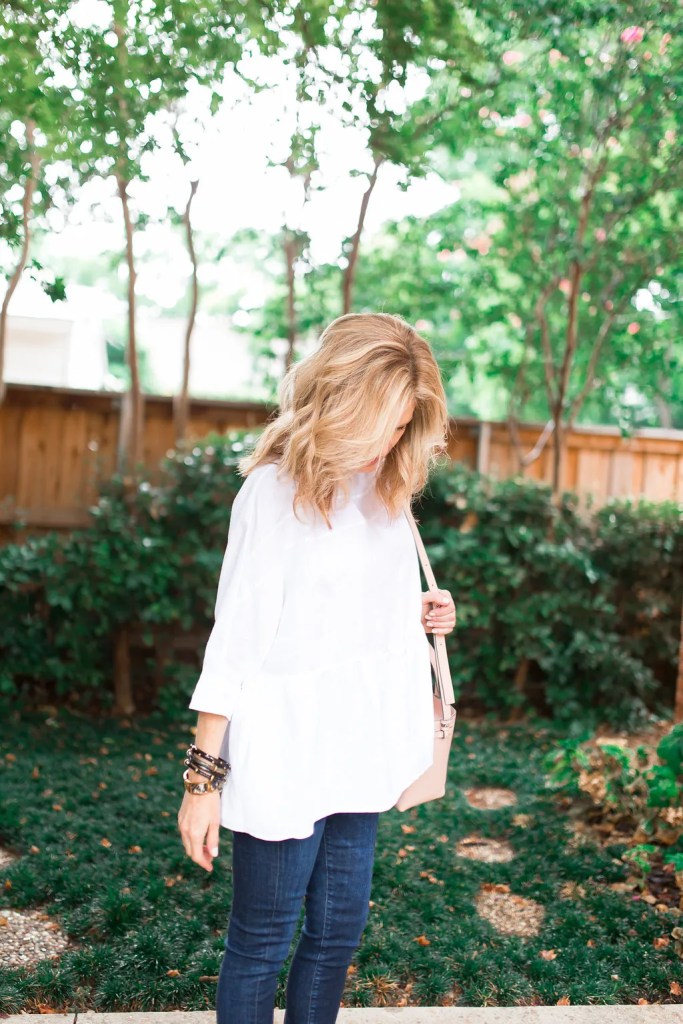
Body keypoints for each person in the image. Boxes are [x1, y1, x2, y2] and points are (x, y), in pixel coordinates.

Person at [178, 311, 457, 1024]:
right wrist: (202, 783)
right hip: (285, 754)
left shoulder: (389, 492)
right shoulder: (273, 494)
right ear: (339, 403)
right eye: (381, 425)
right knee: (262, 942)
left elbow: (348, 612)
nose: (389, 443)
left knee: (336, 938)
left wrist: (423, 612)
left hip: (359, 751)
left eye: (403, 427)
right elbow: (234, 645)